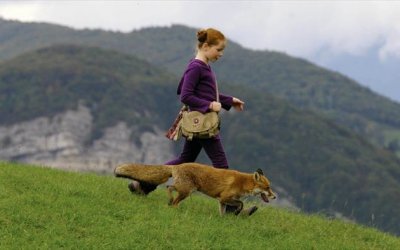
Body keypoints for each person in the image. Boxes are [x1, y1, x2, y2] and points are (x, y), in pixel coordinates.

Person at [128, 28, 255, 215]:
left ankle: (143, 185)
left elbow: (205, 93)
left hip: (198, 123)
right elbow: (186, 95)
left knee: (184, 160)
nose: (221, 54)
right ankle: (230, 209)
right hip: (202, 123)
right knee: (221, 164)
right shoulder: (196, 67)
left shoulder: (203, 66)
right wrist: (210, 106)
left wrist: (228, 100)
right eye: (219, 50)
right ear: (205, 46)